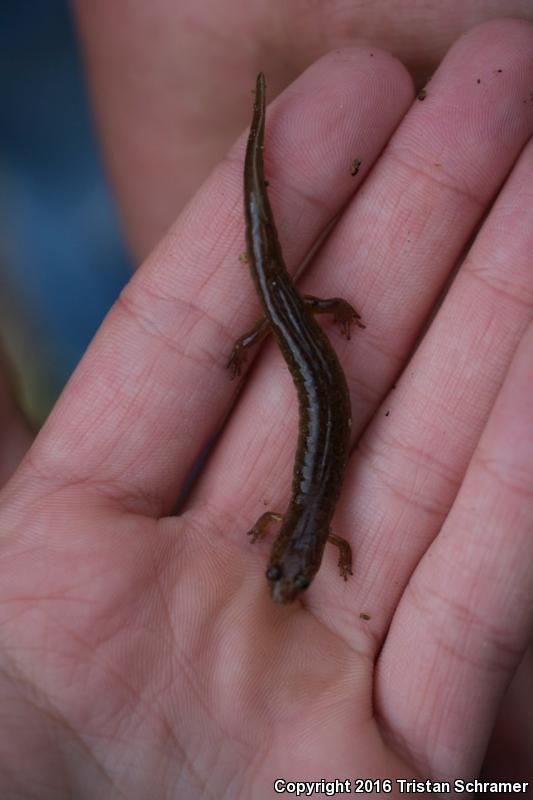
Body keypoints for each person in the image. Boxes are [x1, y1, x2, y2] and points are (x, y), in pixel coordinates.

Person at [0, 9, 532, 796]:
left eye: (285, 572)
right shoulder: (305, 526)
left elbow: (326, 540)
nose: (289, 577)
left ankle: (266, 216)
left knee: (274, 297)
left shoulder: (311, 529)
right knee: (269, 296)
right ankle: (260, 236)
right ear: (306, 551)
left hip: (301, 341)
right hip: (297, 341)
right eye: (293, 574)